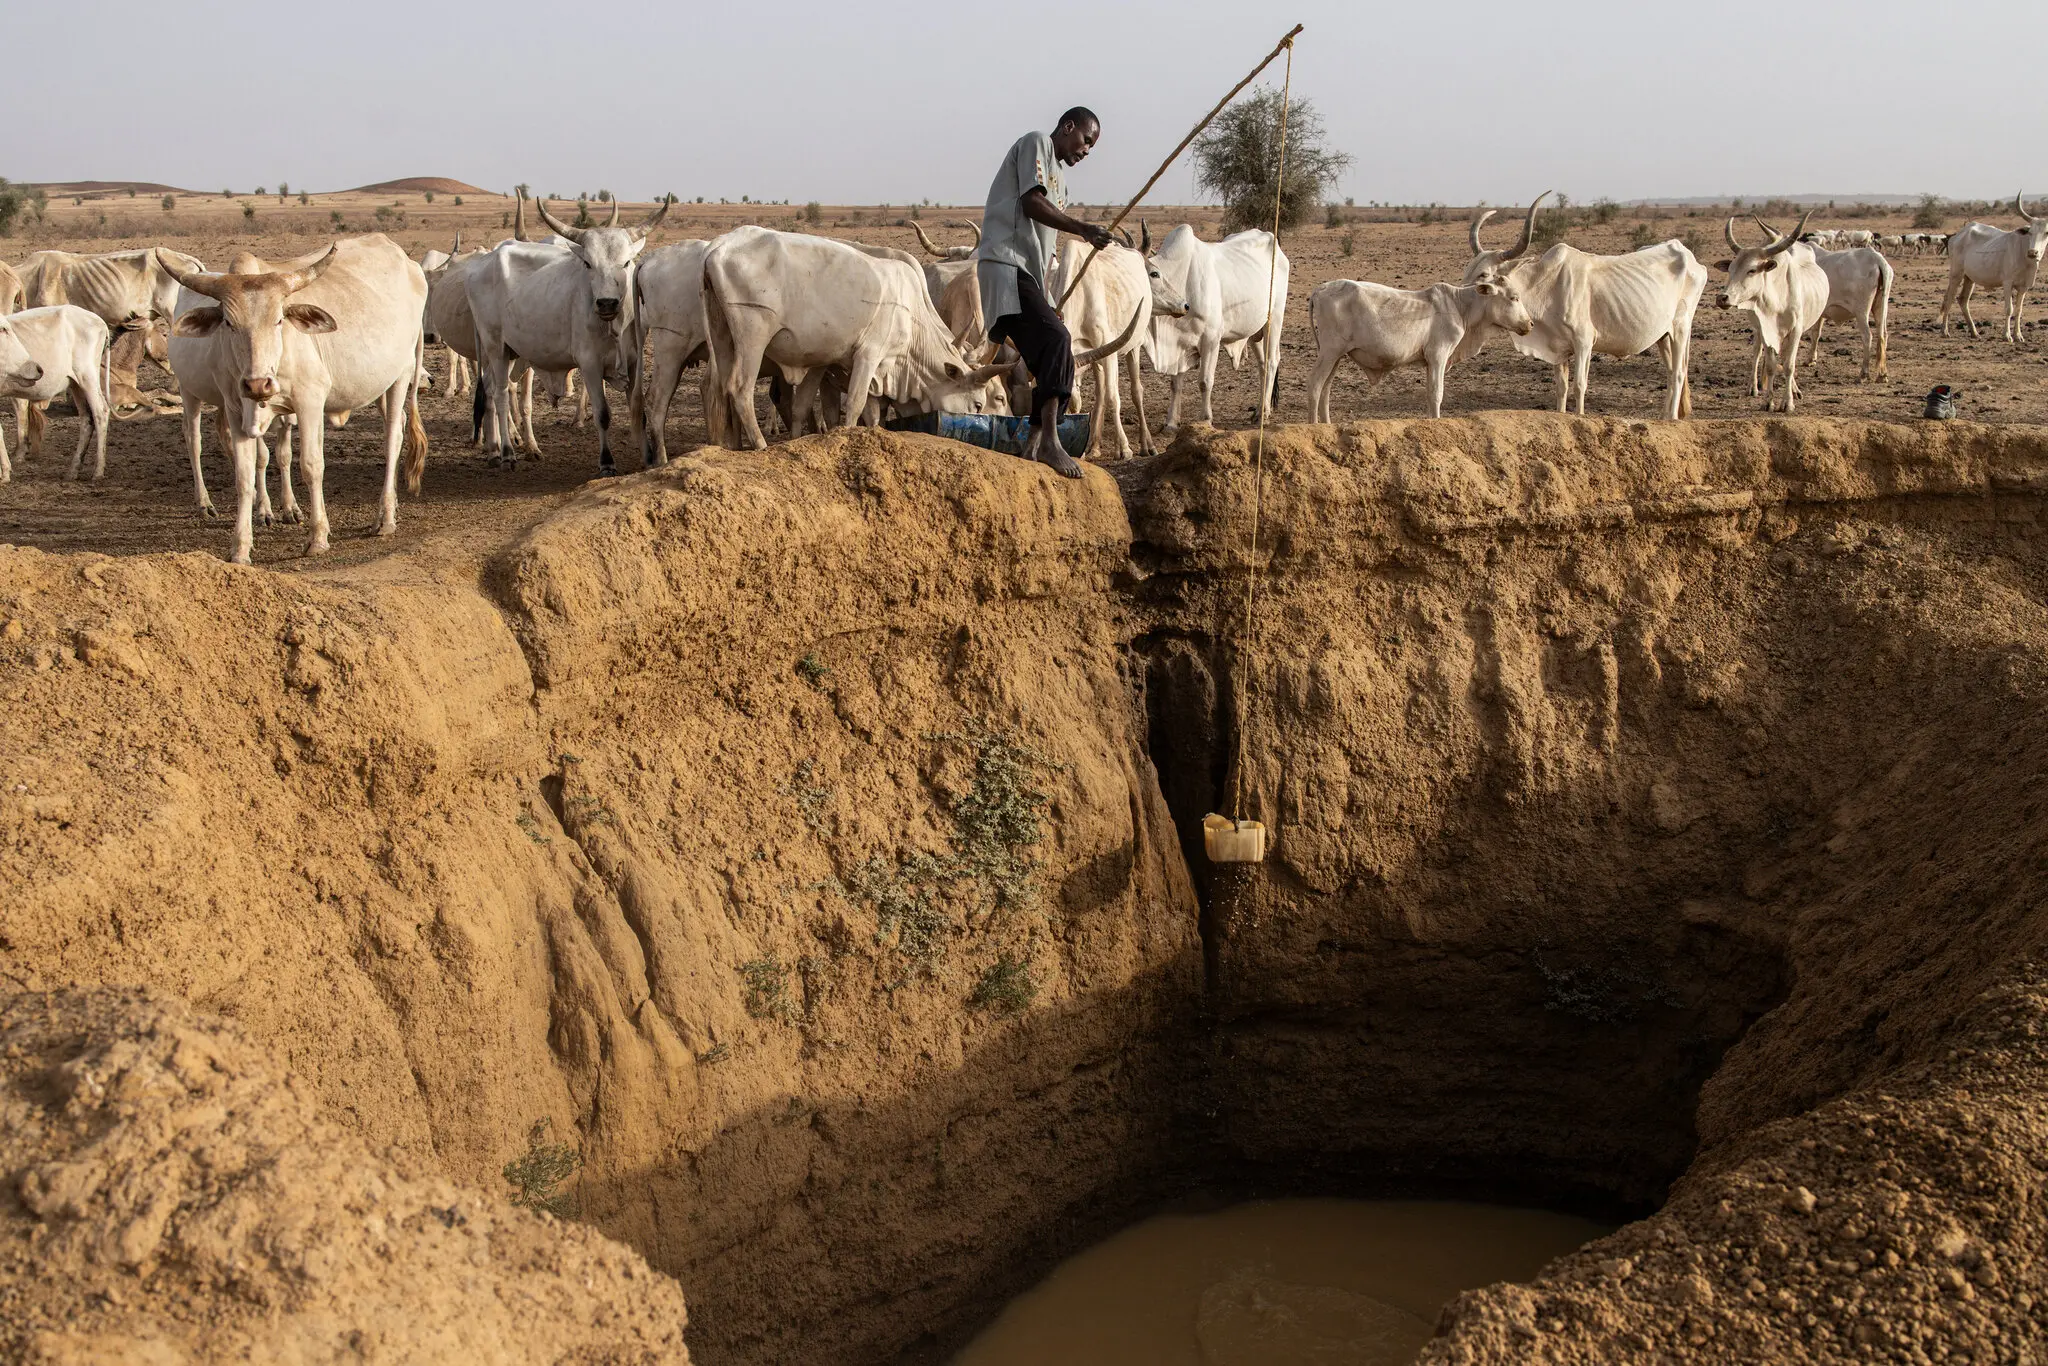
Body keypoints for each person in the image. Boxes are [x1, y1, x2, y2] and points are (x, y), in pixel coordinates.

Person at [974, 108, 1115, 478]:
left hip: (1028, 276)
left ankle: (1035, 440)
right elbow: (1031, 204)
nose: (1086, 151)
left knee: (1056, 350)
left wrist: (1049, 299)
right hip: (1005, 265)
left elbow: (1045, 245)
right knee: (1056, 339)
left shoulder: (1063, 185)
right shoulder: (1036, 143)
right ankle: (1052, 440)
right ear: (1068, 127)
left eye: (1091, 147)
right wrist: (1083, 229)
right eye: (1086, 140)